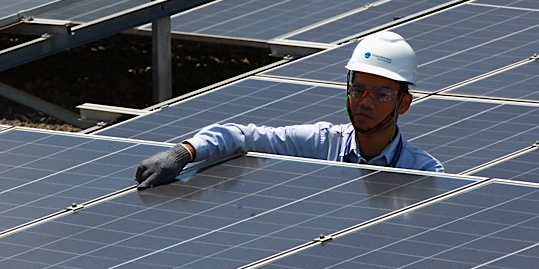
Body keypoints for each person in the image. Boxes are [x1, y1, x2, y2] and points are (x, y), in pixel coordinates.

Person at [135, 31, 443, 188]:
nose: (365, 101)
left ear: (403, 103)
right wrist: (184, 153)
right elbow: (240, 135)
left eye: (381, 94)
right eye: (358, 89)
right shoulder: (322, 142)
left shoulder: (425, 174)